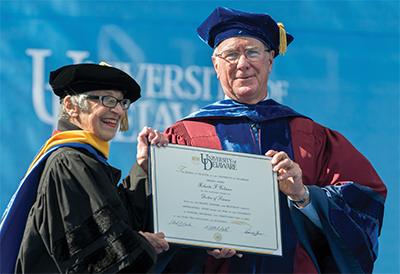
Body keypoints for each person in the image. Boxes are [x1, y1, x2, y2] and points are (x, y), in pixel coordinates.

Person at [149, 7, 386, 274]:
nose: (242, 63)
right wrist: (198, 240)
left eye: (252, 52)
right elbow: (157, 223)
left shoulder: (311, 136)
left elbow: (365, 200)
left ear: (270, 60)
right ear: (216, 65)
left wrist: (304, 196)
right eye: (230, 54)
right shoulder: (184, 136)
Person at [0, 63, 169, 273]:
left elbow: (120, 221)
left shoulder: (84, 160)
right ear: (71, 106)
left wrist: (143, 166)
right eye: (107, 99)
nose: (118, 110)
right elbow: (96, 253)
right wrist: (141, 244)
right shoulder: (69, 163)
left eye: (121, 102)